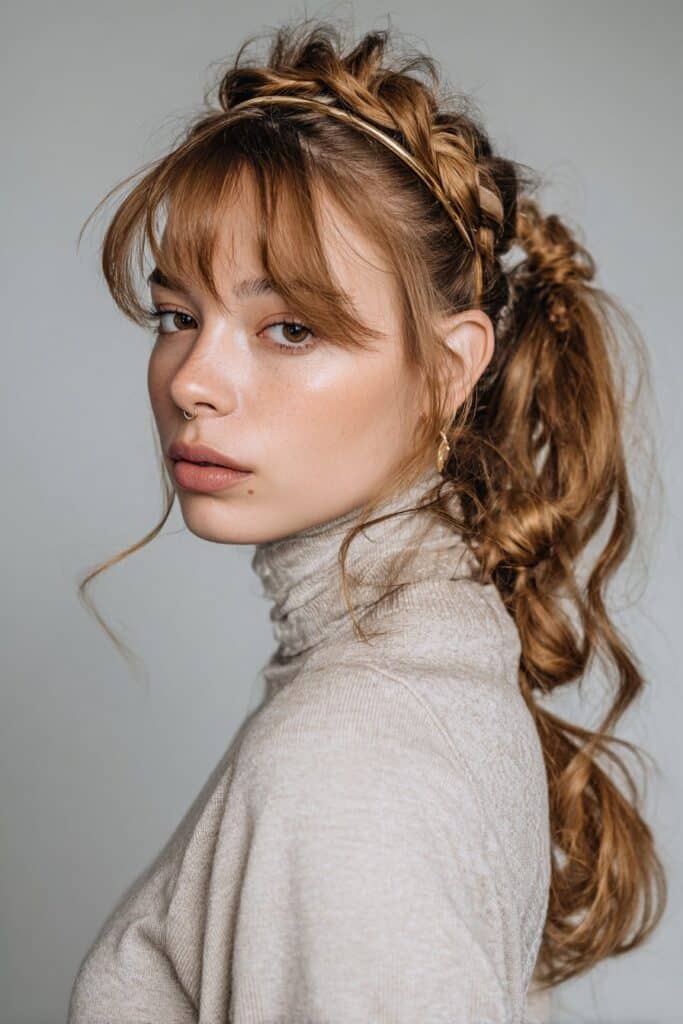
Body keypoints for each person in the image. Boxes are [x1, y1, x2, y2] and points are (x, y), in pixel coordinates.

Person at [68, 17, 667, 1024]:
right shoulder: (428, 667)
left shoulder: (349, 763)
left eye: (288, 327)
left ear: (449, 366)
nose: (194, 380)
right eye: (178, 315)